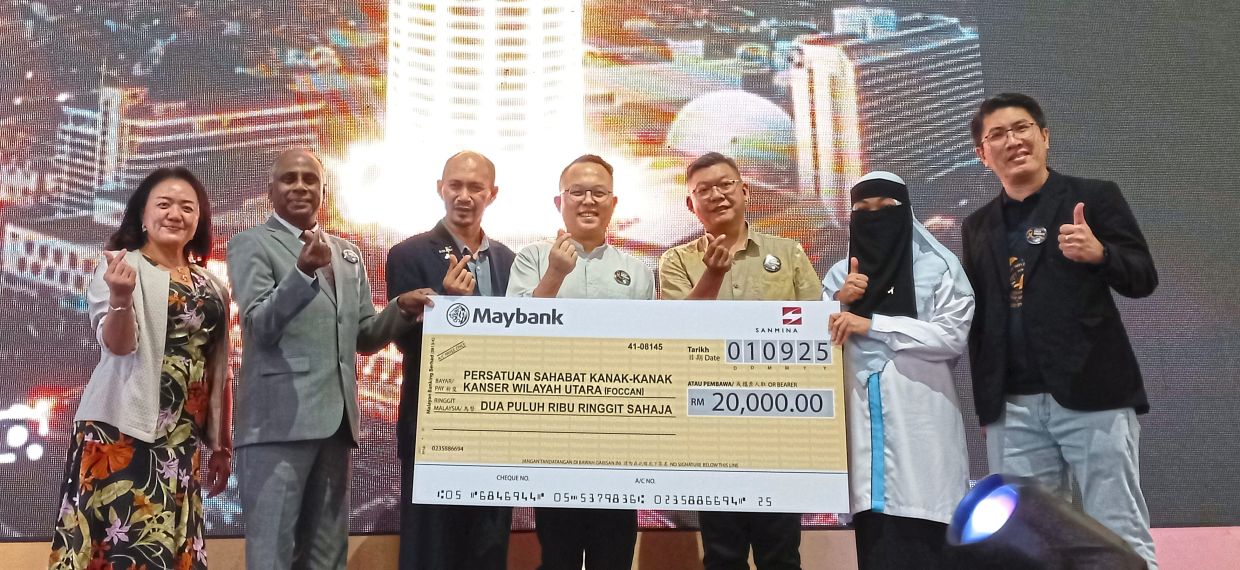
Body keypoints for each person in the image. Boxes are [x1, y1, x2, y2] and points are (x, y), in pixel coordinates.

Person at [961, 93, 1158, 568]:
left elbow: (1143, 278)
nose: (1013, 141)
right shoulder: (977, 225)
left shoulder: (1094, 197)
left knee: (1117, 529)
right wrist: (988, 403)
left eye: (1022, 128)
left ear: (1045, 136)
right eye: (997, 135)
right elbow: (982, 319)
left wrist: (1100, 254)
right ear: (983, 154)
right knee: (1025, 544)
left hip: (1094, 392)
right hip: (1013, 407)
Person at [228, 148, 434, 569]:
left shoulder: (347, 253)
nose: (300, 186)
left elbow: (364, 337)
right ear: (270, 190)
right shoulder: (251, 243)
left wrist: (401, 308)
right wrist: (301, 273)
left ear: (324, 191)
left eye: (310, 179)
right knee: (272, 555)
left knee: (328, 556)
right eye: (289, 178)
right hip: (276, 424)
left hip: (336, 425)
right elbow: (259, 325)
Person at [50, 167, 233, 569]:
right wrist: (120, 297)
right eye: (164, 204)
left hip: (180, 439)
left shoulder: (213, 285)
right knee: (123, 551)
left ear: (199, 219)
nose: (175, 214)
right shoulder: (123, 267)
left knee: (170, 549)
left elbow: (220, 369)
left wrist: (222, 443)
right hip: (122, 433)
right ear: (142, 215)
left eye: (187, 207)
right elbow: (119, 346)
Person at [659, 152, 819, 570]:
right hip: (711, 426)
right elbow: (677, 333)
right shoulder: (675, 261)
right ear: (691, 204)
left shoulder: (788, 252)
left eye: (725, 184)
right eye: (704, 190)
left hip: (779, 423)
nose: (717, 195)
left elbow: (815, 331)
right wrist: (711, 275)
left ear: (745, 191)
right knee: (723, 554)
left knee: (781, 553)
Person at [507, 154, 654, 570]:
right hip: (554, 429)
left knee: (614, 554)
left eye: (598, 193)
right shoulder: (531, 258)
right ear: (560, 202)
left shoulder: (638, 270)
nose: (588, 201)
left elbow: (651, 351)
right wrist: (555, 273)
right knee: (559, 555)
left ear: (613, 203)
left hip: (619, 433)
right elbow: (513, 335)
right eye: (577, 192)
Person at [821, 172, 973, 569]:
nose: (875, 217)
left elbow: (951, 337)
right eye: (863, 210)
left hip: (923, 433)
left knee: (929, 544)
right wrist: (839, 302)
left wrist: (873, 324)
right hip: (863, 444)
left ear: (905, 211)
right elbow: (816, 348)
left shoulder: (939, 267)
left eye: (886, 208)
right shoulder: (839, 276)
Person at [385, 150, 516, 570]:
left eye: (475, 187)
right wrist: (447, 306)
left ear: (492, 194)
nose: (464, 196)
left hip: (496, 429)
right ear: (440, 189)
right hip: (433, 427)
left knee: (488, 549)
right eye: (455, 185)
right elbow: (405, 343)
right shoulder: (407, 254)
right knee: (431, 551)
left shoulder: (510, 261)